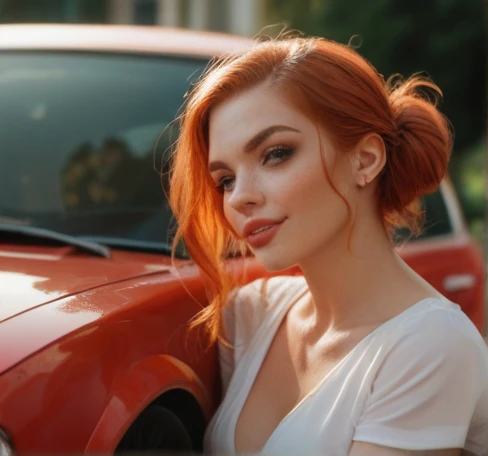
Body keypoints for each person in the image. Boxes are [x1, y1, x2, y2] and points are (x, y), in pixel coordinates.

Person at [168, 35, 488, 456]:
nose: (238, 197)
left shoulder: (432, 346)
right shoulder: (251, 313)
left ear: (366, 160)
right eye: (225, 179)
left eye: (276, 153)